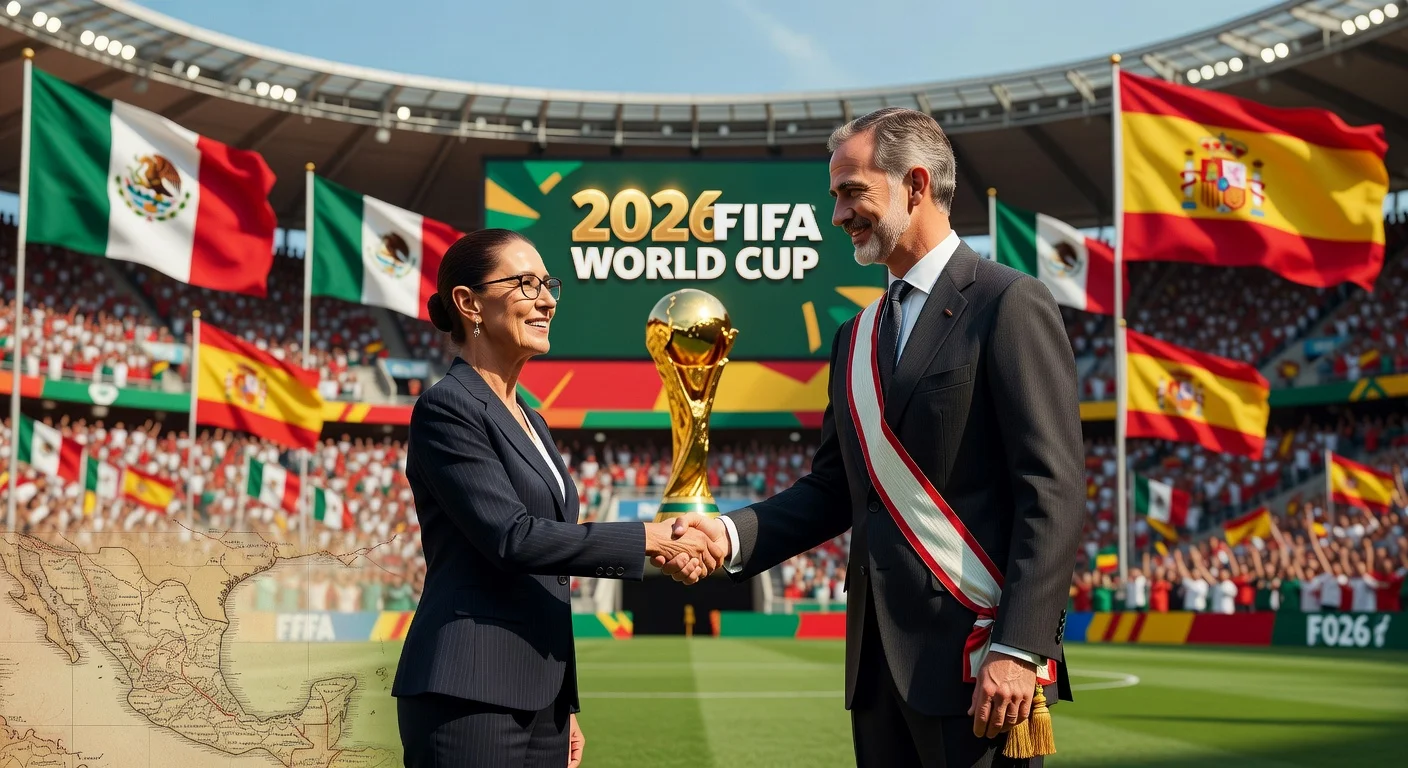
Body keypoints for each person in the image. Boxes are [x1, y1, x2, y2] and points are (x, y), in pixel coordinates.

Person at [662, 108, 1084, 767]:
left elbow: (1051, 489)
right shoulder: (853, 339)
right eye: (835, 196)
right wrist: (731, 534)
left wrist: (1020, 648)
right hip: (877, 672)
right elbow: (835, 489)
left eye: (851, 192)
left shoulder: (1008, 303)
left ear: (914, 185)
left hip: (981, 667)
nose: (837, 215)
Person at [392, 230, 723, 768]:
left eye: (548, 284)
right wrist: (647, 538)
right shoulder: (447, 408)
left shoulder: (533, 420)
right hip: (468, 694)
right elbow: (513, 537)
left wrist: (563, 703)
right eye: (526, 283)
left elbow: (551, 565)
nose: (547, 298)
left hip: (540, 700)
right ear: (468, 303)